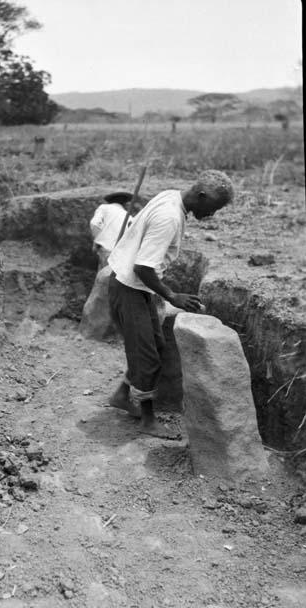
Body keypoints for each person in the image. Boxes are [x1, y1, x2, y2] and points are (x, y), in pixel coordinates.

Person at [107, 170, 235, 437]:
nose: (213, 214)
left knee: (156, 345)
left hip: (134, 287)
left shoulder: (172, 197)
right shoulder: (169, 217)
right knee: (147, 357)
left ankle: (121, 395)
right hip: (130, 287)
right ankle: (147, 420)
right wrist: (172, 296)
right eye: (213, 207)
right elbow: (143, 267)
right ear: (201, 196)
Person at [90, 191, 134, 269]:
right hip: (122, 255)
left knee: (104, 277)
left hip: (106, 250)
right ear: (124, 203)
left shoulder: (104, 208)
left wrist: (96, 241)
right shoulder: (129, 216)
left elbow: (94, 223)